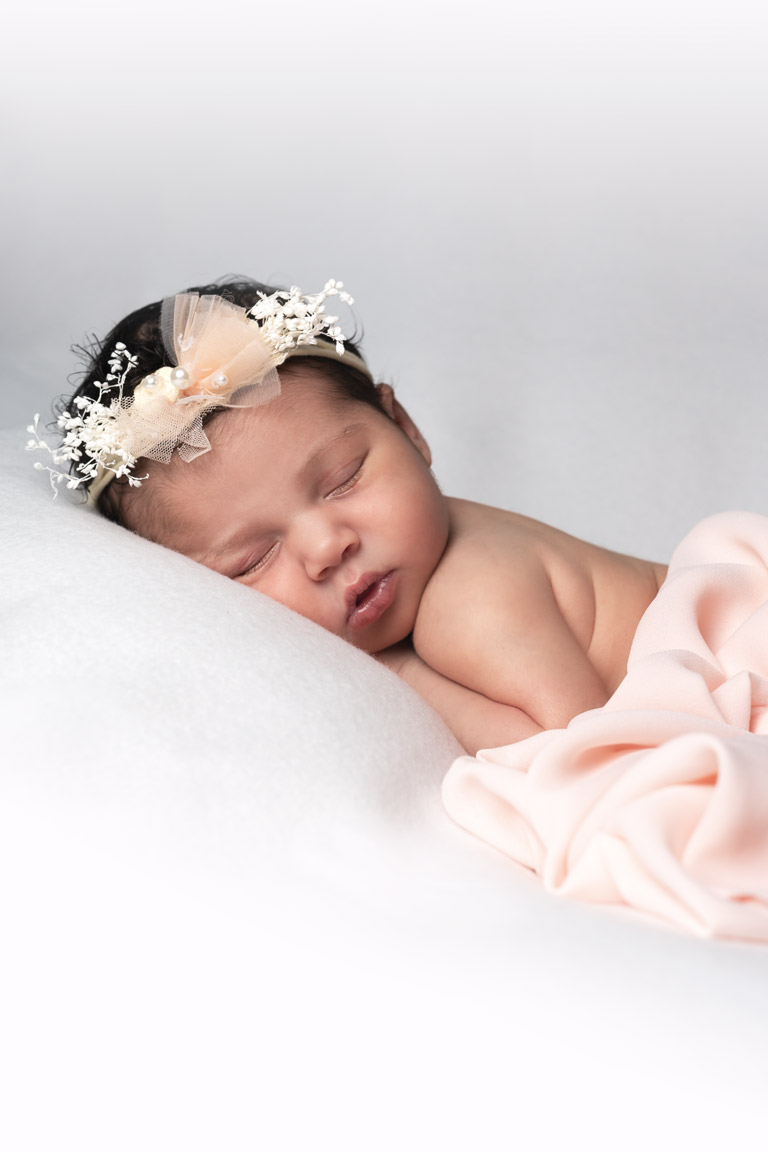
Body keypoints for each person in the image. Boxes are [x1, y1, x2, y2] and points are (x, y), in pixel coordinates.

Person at [29, 277, 667, 754]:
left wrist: (396, 673)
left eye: (343, 480)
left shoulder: (471, 596)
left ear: (404, 426)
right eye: (253, 560)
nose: (327, 547)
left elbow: (582, 757)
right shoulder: (432, 559)